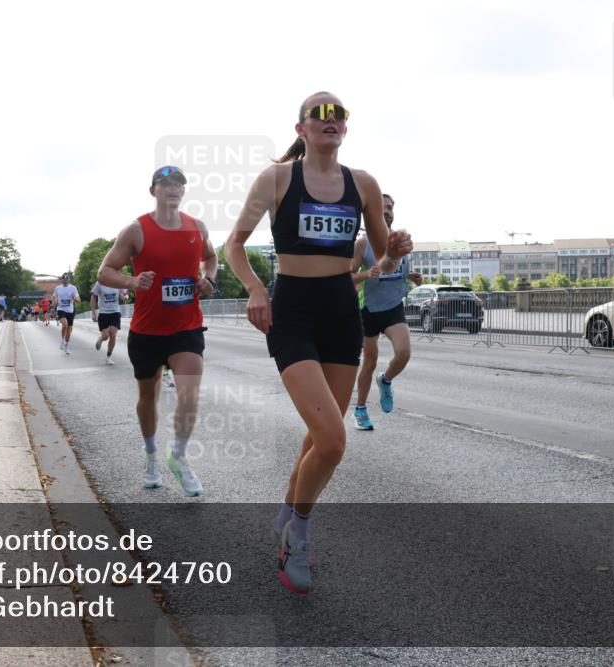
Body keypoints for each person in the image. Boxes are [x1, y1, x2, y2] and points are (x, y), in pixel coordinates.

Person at [224, 92, 412, 595]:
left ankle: (289, 510)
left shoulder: (363, 183)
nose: (330, 120)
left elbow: (382, 261)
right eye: (319, 113)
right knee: (332, 440)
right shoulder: (277, 179)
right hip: (293, 312)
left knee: (318, 434)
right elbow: (233, 244)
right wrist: (255, 289)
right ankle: (299, 536)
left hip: (341, 314)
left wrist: (395, 252)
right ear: (301, 128)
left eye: (338, 114)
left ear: (346, 128)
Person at [98, 166, 217, 496]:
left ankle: (178, 456)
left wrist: (209, 279)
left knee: (190, 392)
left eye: (178, 184)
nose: (173, 189)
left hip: (186, 327)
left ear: (184, 191)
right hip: (147, 331)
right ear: (153, 191)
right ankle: (151, 455)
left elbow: (211, 258)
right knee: (147, 398)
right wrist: (132, 281)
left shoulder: (197, 227)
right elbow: (105, 271)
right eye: (165, 185)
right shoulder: (136, 230)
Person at [351, 194, 422, 430]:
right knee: (369, 361)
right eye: (382, 207)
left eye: (390, 207)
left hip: (393, 307)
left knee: (404, 353)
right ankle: (360, 409)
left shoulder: (399, 240)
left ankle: (386, 380)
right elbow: (347, 276)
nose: (387, 211)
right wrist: (365, 274)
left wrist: (410, 277)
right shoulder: (363, 244)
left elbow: (395, 271)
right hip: (368, 309)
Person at [91, 278, 126, 365]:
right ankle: (101, 338)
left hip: (115, 311)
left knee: (113, 334)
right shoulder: (100, 283)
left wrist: (124, 297)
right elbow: (93, 297)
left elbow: (125, 293)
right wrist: (93, 313)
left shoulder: (118, 281)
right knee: (106, 336)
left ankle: (108, 357)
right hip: (103, 313)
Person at [53, 274, 81, 353]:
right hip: (61, 309)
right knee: (64, 325)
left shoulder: (73, 288)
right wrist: (55, 302)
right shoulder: (57, 288)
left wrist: (75, 298)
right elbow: (54, 297)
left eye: (67, 279)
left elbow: (79, 299)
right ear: (61, 280)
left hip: (70, 310)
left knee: (69, 329)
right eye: (64, 279)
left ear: (69, 280)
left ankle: (66, 345)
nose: (65, 280)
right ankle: (62, 340)